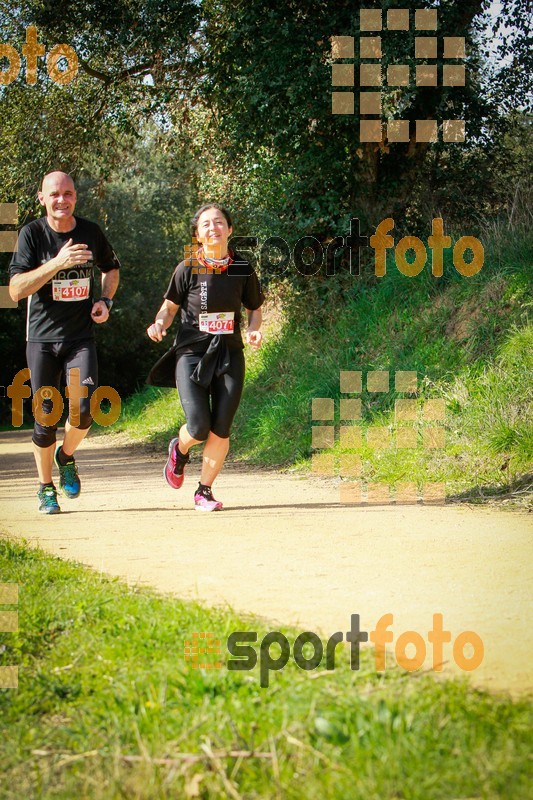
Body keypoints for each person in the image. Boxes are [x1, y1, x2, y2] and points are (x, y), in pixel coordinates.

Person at [9, 171, 120, 514]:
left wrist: (105, 301)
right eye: (54, 194)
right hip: (41, 339)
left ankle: (66, 456)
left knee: (83, 412)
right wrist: (56, 263)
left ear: (75, 197)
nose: (62, 199)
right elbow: (15, 289)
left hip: (80, 338)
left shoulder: (90, 232)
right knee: (45, 418)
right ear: (41, 198)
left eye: (68, 193)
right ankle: (45, 489)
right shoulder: (31, 235)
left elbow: (111, 268)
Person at [146, 203, 264, 511]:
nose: (214, 228)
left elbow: (254, 310)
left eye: (220, 222)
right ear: (198, 235)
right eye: (206, 224)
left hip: (229, 353)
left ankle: (204, 490)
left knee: (221, 426)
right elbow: (169, 308)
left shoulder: (242, 267)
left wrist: (253, 331)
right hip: (192, 353)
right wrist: (159, 323)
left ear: (230, 229)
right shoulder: (187, 267)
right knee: (198, 426)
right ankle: (180, 449)